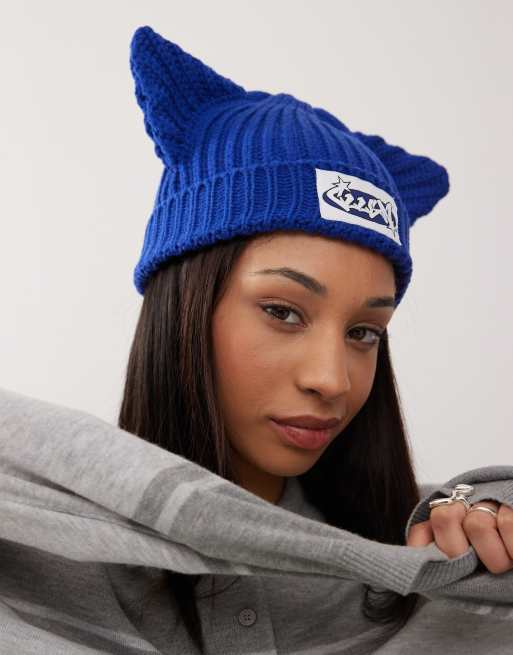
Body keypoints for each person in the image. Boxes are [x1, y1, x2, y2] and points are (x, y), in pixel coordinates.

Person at [0, 23, 512, 655]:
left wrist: (483, 508)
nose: (332, 380)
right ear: (182, 310)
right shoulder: (28, 550)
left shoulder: (415, 560)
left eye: (363, 332)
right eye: (283, 311)